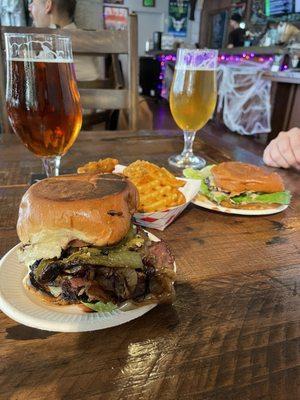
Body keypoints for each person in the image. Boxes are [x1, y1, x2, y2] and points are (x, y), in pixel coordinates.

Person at [28, 0, 100, 81]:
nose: (29, 8)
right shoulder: (86, 39)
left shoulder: (52, 42)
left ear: (48, 6)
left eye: (33, 3)